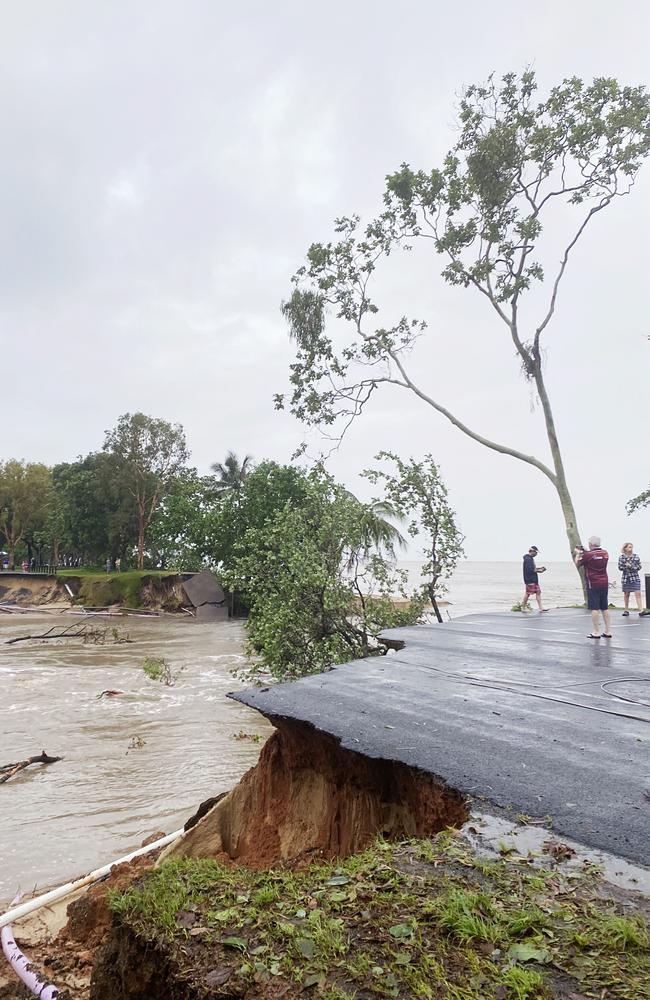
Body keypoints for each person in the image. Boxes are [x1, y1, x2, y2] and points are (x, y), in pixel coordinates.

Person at [574, 536, 610, 638]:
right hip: (604, 581)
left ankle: (596, 631)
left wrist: (578, 553)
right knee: (605, 607)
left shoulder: (588, 555)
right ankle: (608, 631)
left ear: (590, 544)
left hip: (592, 583)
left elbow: (578, 563)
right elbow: (595, 556)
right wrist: (586, 551)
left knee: (595, 608)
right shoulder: (605, 553)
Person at [618, 543, 643, 615]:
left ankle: (641, 610)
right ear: (625, 548)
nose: (631, 549)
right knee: (626, 594)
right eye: (629, 547)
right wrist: (626, 567)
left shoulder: (636, 556)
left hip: (635, 577)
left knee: (638, 593)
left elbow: (639, 567)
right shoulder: (621, 557)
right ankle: (626, 610)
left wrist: (631, 566)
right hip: (626, 578)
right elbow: (620, 567)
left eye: (631, 547)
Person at [521, 545, 548, 612]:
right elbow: (531, 570)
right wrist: (540, 570)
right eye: (536, 553)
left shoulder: (529, 558)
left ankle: (541, 608)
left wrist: (539, 569)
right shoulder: (528, 559)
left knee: (538, 592)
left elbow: (533, 569)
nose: (536, 554)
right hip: (530, 579)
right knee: (528, 594)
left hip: (533, 579)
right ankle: (523, 607)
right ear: (532, 551)